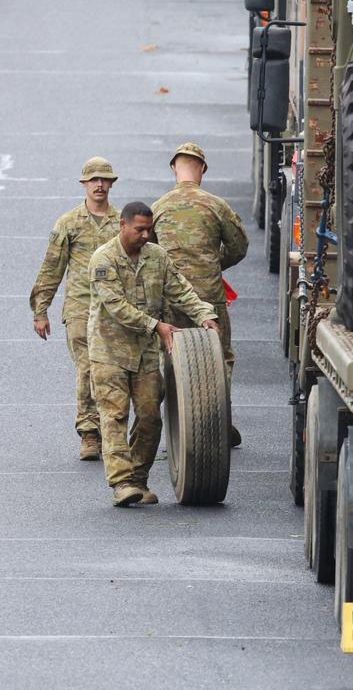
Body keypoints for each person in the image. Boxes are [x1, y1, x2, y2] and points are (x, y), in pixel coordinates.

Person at [87, 202, 219, 507]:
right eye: (139, 229)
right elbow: (116, 307)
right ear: (122, 225)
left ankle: (138, 478)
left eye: (149, 229)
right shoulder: (103, 260)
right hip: (109, 352)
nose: (146, 235)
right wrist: (156, 325)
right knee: (114, 417)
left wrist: (203, 314)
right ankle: (121, 483)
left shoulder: (157, 257)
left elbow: (180, 290)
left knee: (150, 417)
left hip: (145, 354)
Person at [151, 142, 249, 447]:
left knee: (166, 357)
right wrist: (212, 264)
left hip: (170, 300)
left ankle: (152, 427)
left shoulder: (158, 207)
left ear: (173, 168)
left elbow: (147, 255)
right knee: (220, 360)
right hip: (209, 299)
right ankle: (218, 424)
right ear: (203, 170)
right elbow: (239, 247)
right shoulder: (216, 206)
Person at [29, 157, 121, 461]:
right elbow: (52, 267)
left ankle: (113, 431)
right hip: (80, 307)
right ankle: (89, 432)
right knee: (87, 367)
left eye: (104, 179)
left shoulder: (121, 223)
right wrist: (41, 310)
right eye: (93, 179)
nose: (99, 184)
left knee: (114, 371)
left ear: (111, 184)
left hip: (115, 308)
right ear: (84, 184)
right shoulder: (68, 223)